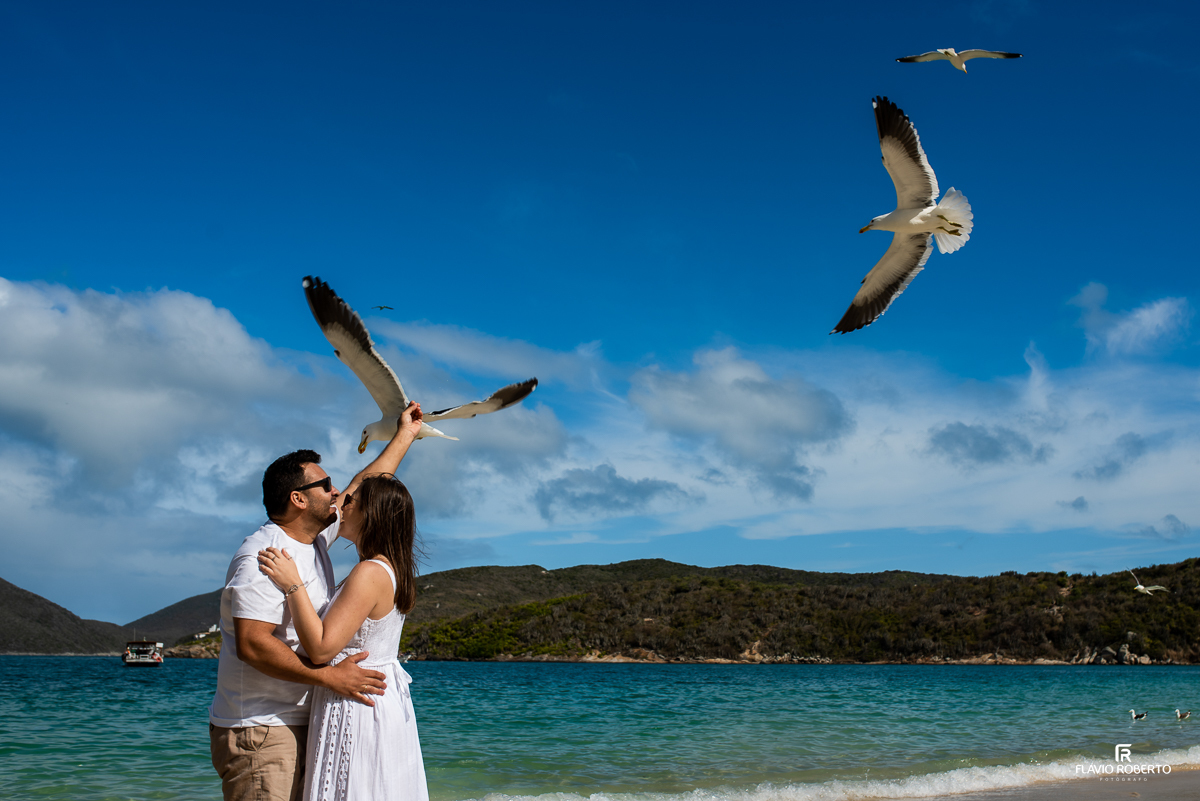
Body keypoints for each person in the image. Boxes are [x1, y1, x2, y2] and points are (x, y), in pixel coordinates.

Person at [208, 401, 424, 801]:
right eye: (326, 486)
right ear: (299, 499)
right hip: (262, 728)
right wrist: (328, 677)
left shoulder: (315, 541)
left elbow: (369, 488)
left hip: (308, 716)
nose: (340, 492)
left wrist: (404, 435)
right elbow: (253, 643)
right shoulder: (265, 555)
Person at [257, 472, 428, 801]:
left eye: (351, 500)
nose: (341, 502)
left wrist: (293, 585)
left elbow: (321, 649)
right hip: (374, 699)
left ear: (370, 513)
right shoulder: (391, 568)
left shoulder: (370, 572)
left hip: (357, 704)